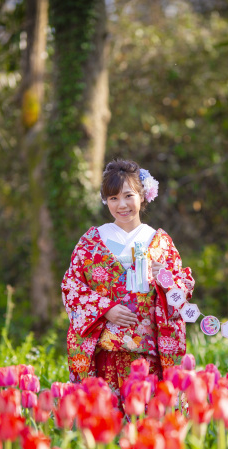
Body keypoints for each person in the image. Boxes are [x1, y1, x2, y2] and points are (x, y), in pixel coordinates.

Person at [61, 159, 194, 395]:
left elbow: (181, 292)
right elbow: (72, 288)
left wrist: (166, 280)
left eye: (128, 195)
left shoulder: (161, 242)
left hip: (148, 354)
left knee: (145, 419)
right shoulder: (91, 242)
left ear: (143, 196)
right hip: (105, 351)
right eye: (113, 198)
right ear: (106, 201)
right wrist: (105, 309)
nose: (121, 205)